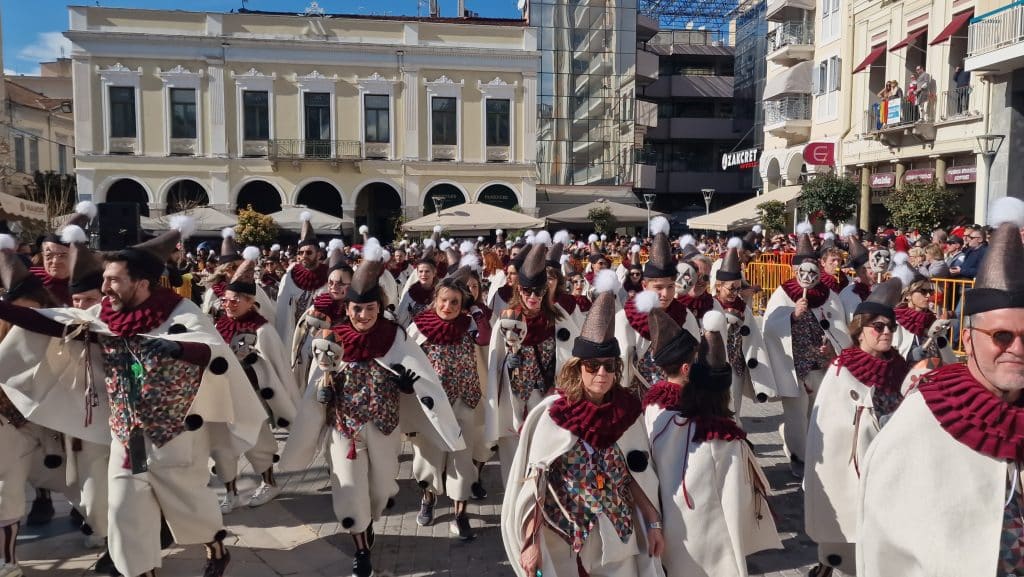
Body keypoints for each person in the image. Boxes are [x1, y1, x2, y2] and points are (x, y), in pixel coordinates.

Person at [0, 216, 268, 577]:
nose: (105, 287)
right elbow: (55, 322)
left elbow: (211, 352)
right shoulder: (106, 314)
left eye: (113, 280)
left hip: (173, 434)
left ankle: (216, 547)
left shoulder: (179, 312)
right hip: (125, 436)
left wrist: (170, 347)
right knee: (126, 517)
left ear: (141, 283)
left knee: (189, 506)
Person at [857, 198, 1024, 575]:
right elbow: (885, 544)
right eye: (1001, 336)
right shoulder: (925, 417)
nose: (1017, 349)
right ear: (968, 336)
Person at [280, 237, 463, 577]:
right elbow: (317, 379)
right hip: (343, 431)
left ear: (379, 308)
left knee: (380, 490)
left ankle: (368, 520)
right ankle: (361, 548)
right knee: (349, 492)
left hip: (384, 428)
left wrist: (407, 387)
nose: (362, 315)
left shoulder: (395, 337)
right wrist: (322, 393)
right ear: (347, 309)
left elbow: (421, 378)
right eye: (356, 309)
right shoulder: (332, 338)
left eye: (369, 309)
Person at [501, 274, 664, 577]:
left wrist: (653, 523)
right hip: (567, 538)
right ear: (578, 368)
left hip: (619, 536)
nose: (601, 373)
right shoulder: (554, 415)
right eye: (592, 366)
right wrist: (531, 541)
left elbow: (635, 475)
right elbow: (537, 483)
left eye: (610, 366)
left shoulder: (628, 413)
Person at [644, 304, 781, 577]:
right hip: (711, 543)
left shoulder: (664, 416)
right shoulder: (725, 439)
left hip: (669, 532)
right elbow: (735, 500)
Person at [804, 279, 910, 577]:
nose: (887, 331)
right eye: (878, 326)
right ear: (860, 329)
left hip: (895, 469)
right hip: (857, 469)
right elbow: (830, 430)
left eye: (891, 326)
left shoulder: (900, 367)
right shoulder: (843, 370)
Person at [211, 246, 298, 514]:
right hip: (222, 397)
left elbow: (277, 367)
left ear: (251, 301)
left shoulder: (263, 330)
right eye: (226, 300)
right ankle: (230, 492)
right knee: (222, 447)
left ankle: (270, 483)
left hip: (252, 397)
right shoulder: (218, 326)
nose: (230, 304)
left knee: (257, 442)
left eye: (236, 299)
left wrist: (253, 362)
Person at [762, 225, 852, 477]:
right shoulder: (783, 294)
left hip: (820, 362)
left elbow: (838, 326)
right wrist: (791, 315)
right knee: (797, 415)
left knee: (817, 413)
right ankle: (799, 457)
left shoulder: (828, 294)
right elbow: (769, 327)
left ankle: (814, 453)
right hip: (795, 365)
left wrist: (832, 346)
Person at [407, 266, 489, 540]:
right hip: (431, 407)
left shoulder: (469, 326)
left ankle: (460, 513)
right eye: (444, 300)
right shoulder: (420, 327)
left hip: (466, 401)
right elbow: (403, 360)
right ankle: (428, 498)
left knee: (462, 461)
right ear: (435, 300)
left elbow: (486, 341)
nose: (448, 306)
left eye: (455, 301)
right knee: (429, 457)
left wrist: (477, 312)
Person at [485, 239, 571, 484]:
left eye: (539, 291)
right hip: (514, 403)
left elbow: (571, 356)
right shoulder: (506, 320)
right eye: (527, 291)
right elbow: (494, 365)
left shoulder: (559, 318)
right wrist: (506, 366)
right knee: (515, 466)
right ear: (518, 289)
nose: (533, 297)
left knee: (544, 463)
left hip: (546, 396)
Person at [616, 217, 700, 396]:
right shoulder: (624, 319)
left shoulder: (684, 316)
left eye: (670, 287)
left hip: (677, 401)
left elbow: (696, 359)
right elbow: (620, 365)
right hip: (636, 401)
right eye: (658, 288)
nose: (666, 294)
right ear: (645, 286)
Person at [713, 247, 775, 421]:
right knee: (720, 409)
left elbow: (754, 338)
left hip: (737, 366)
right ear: (719, 286)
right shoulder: (711, 306)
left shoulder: (744, 309)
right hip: (717, 367)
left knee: (735, 408)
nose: (734, 293)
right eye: (730, 289)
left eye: (738, 289)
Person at [276, 212, 329, 349]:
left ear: (319, 254)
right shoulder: (289, 276)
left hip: (319, 336)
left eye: (309, 252)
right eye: (301, 252)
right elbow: (282, 310)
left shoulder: (329, 275)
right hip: (293, 334)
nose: (304, 256)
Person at [889, 264, 958, 365]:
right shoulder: (897, 319)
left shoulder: (931, 319)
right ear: (908, 295)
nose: (929, 296)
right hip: (906, 374)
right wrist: (910, 356)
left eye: (930, 292)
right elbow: (890, 355)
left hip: (931, 371)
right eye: (923, 291)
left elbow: (946, 354)